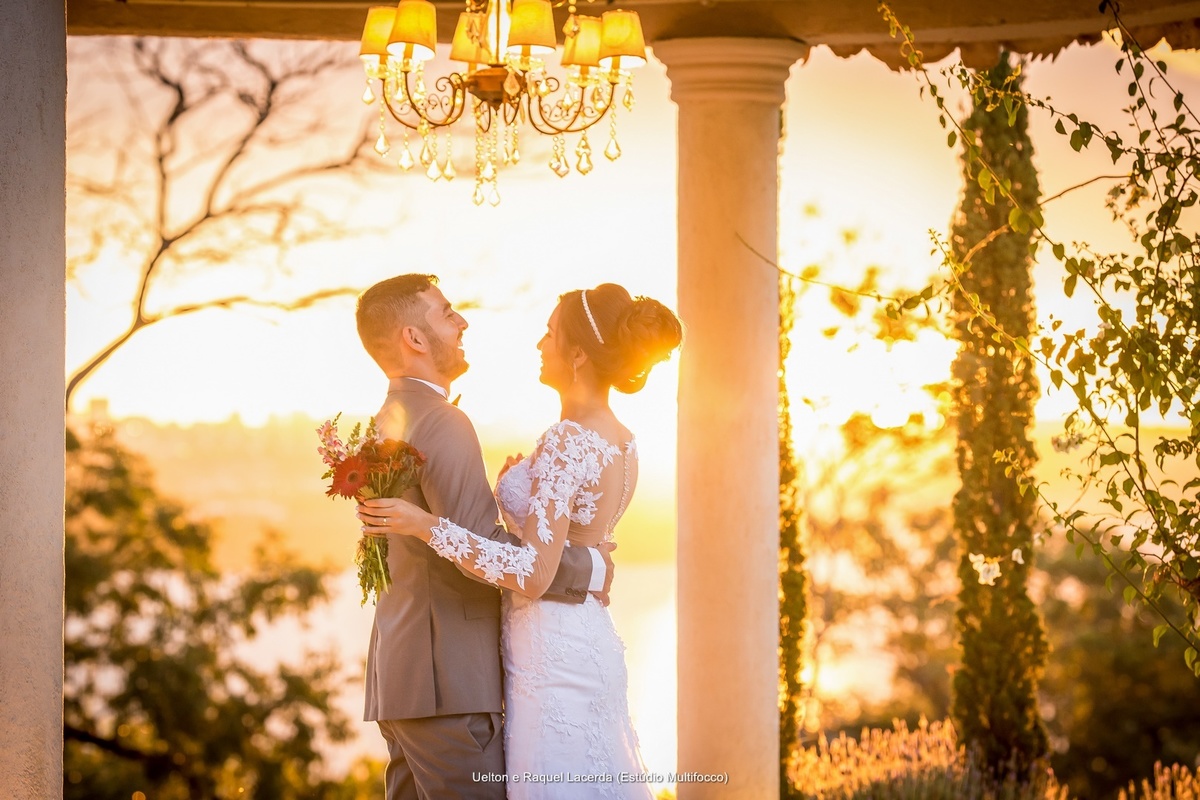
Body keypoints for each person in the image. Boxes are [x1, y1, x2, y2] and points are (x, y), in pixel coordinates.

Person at [359, 283, 683, 798]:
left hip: (455, 668)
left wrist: (426, 524)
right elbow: (538, 556)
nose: (538, 343)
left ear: (578, 353)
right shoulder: (622, 440)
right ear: (413, 337)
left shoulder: (391, 418)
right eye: (447, 314)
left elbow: (518, 561)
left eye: (549, 333)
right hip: (497, 666)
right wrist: (594, 568)